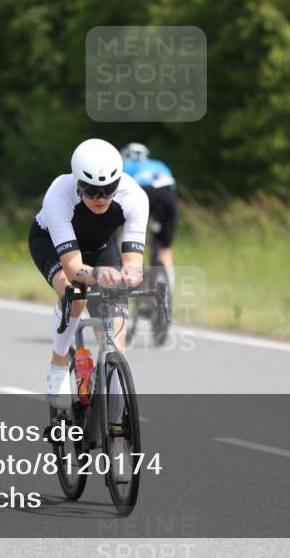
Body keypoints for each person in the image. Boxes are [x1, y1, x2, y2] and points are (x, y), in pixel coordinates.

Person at [29, 138, 149, 411]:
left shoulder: (134, 196)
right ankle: (59, 362)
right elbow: (73, 268)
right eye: (91, 191)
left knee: (115, 336)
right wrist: (98, 275)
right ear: (77, 182)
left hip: (101, 247)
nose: (100, 198)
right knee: (75, 294)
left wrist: (130, 275)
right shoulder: (59, 195)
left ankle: (115, 422)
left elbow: (133, 261)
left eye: (108, 190)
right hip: (51, 243)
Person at [120, 143, 177, 291]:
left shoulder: (126, 167)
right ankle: (168, 289)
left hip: (144, 193)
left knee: (135, 237)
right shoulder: (159, 164)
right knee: (165, 248)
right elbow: (173, 187)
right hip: (168, 197)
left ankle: (138, 277)